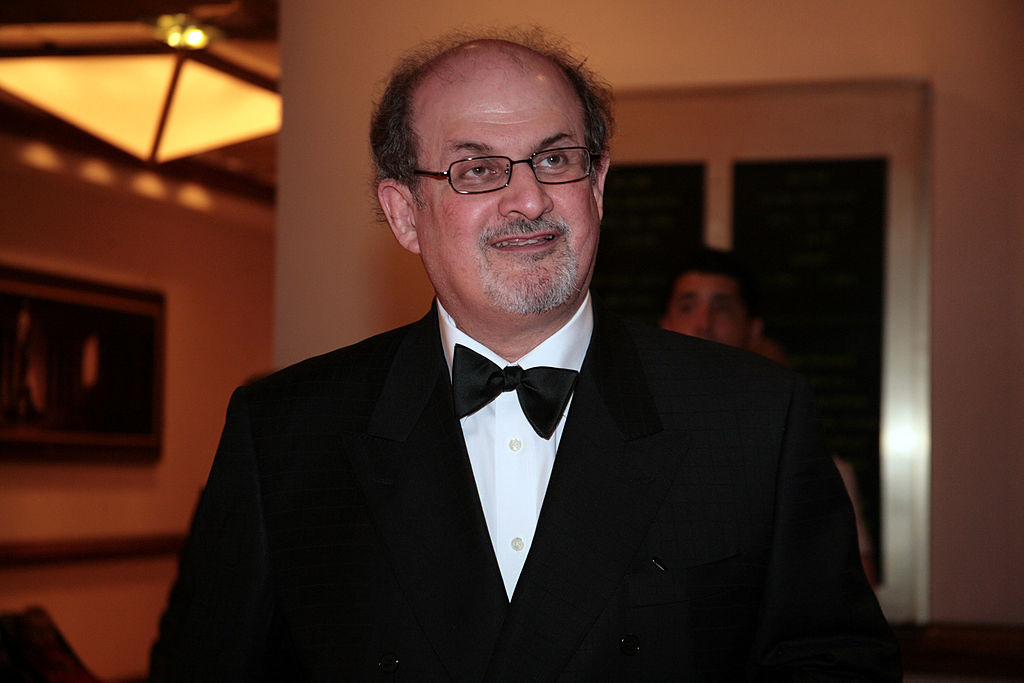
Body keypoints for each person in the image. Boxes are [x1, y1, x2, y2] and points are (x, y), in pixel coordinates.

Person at [150, 30, 900, 681]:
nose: (530, 200)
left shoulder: (754, 417)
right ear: (404, 213)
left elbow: (835, 663)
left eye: (555, 159)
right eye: (477, 169)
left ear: (597, 186)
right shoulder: (285, 434)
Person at [660, 246, 879, 585]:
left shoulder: (808, 463)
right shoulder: (630, 447)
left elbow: (851, 586)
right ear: (664, 325)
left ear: (753, 330)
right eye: (688, 306)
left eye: (722, 308)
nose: (703, 324)